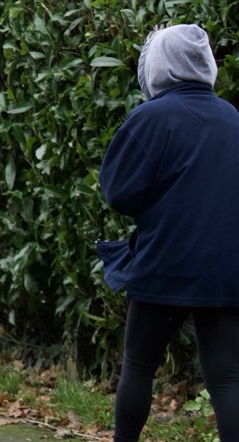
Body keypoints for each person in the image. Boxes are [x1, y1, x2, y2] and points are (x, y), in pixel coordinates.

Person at [99, 24, 239, 442]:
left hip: (165, 263)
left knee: (139, 365)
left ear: (159, 64)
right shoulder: (232, 118)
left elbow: (119, 192)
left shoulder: (150, 117)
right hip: (225, 268)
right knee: (227, 379)